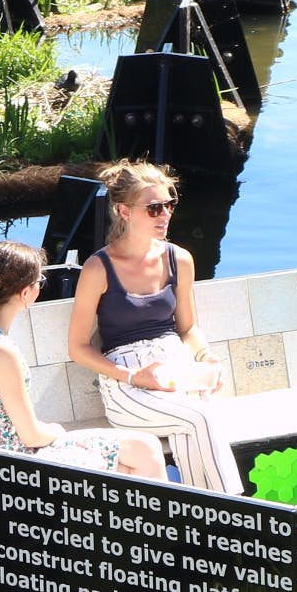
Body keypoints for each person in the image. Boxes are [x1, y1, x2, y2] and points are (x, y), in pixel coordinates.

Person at [0, 240, 166, 478]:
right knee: (146, 451)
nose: (41, 287)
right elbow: (32, 437)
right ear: (26, 293)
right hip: (17, 463)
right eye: (40, 281)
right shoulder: (0, 350)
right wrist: (58, 430)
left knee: (141, 451)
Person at [66, 159, 239, 493]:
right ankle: (232, 511)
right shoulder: (98, 267)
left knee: (190, 429)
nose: (165, 215)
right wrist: (132, 376)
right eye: (154, 208)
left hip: (176, 368)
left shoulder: (180, 259)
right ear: (124, 211)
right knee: (200, 418)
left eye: (169, 205)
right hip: (126, 379)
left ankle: (196, 522)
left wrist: (207, 358)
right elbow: (77, 347)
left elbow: (187, 328)